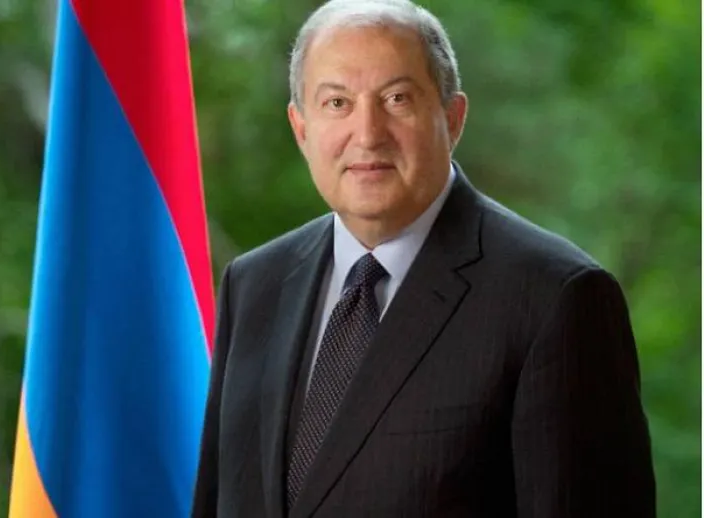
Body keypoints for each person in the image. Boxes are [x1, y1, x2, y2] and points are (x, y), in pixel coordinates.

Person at [192, 0, 656, 516]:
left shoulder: (555, 299)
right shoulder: (254, 284)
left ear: (453, 118)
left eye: (397, 99)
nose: (367, 134)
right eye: (337, 103)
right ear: (301, 128)